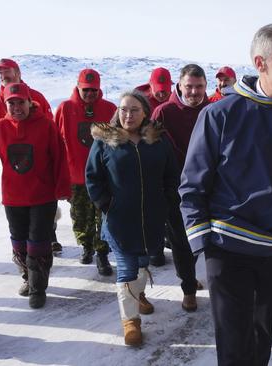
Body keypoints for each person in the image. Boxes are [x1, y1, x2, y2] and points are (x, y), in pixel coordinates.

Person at [179, 22, 272, 365]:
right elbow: (192, 184)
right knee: (235, 344)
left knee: (262, 336)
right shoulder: (221, 114)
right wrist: (204, 243)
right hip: (229, 249)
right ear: (261, 63)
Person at [85, 91, 179, 346]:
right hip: (119, 219)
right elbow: (93, 177)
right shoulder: (106, 141)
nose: (128, 115)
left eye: (134, 110)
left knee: (142, 261)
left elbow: (172, 173)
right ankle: (131, 321)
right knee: (127, 268)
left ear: (145, 112)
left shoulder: (158, 140)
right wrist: (107, 204)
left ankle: (137, 295)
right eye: (124, 109)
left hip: (151, 217)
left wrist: (167, 200)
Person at [0, 83, 71, 309]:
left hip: (43, 196)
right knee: (18, 241)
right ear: (5, 104)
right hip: (13, 198)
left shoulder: (46, 126)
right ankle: (28, 278)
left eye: (21, 102)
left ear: (30, 102)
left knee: (38, 242)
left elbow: (59, 159)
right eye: (12, 103)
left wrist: (63, 189)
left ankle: (38, 288)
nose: (17, 107)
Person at [0, 58, 62, 254]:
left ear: (18, 73)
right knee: (20, 229)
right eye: (0, 74)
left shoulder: (36, 96)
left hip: (39, 169)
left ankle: (49, 236)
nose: (4, 76)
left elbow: (51, 133)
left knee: (41, 224)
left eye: (7, 72)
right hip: (16, 167)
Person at [150, 64, 208, 310]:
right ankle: (188, 287)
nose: (194, 92)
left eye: (199, 87)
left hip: (209, 189)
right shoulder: (164, 112)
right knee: (181, 241)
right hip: (175, 190)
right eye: (189, 87)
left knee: (207, 239)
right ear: (180, 86)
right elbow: (151, 150)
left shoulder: (214, 109)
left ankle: (202, 277)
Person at [55, 69, 116, 274]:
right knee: (80, 216)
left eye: (93, 90)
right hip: (76, 176)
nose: (90, 93)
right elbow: (55, 142)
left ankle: (102, 253)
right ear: (78, 87)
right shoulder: (65, 108)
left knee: (104, 217)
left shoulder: (109, 109)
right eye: (86, 90)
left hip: (103, 177)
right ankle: (86, 246)